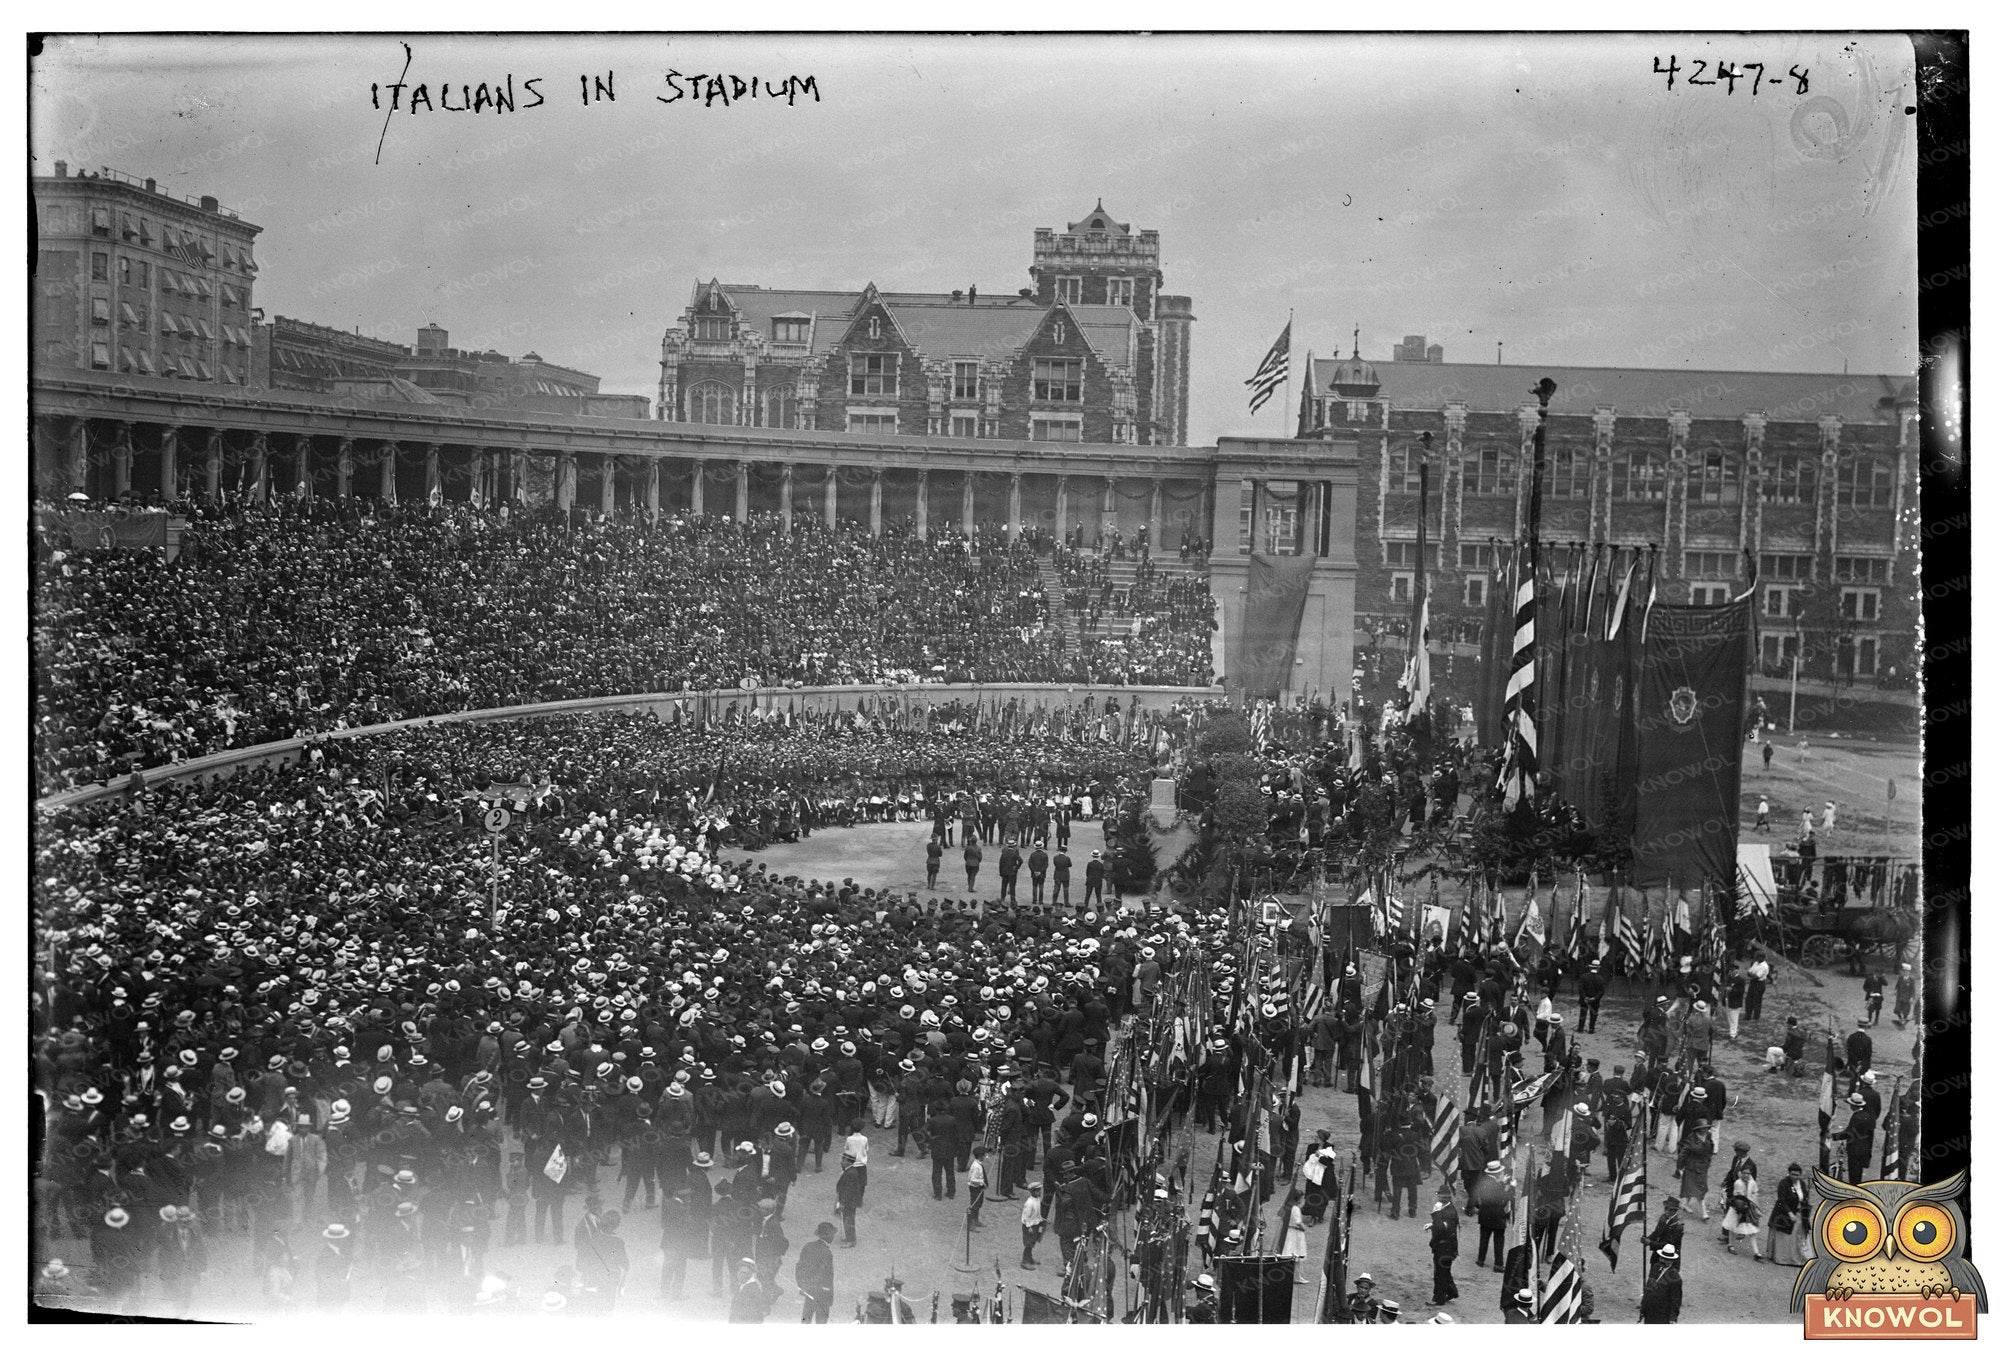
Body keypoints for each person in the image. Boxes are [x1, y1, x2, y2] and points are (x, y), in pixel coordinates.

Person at [1764, 1164, 1813, 1266]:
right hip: (1785, 1214)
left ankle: (1798, 1259)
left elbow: (1804, 1198)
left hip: (1799, 1213)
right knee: (1786, 1237)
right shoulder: (1783, 1184)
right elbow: (1781, 1200)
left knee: (1798, 1236)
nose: (1794, 1177)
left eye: (1797, 1175)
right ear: (1789, 1173)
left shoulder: (1802, 1184)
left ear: (1800, 1175)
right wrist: (1790, 1213)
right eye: (1792, 1174)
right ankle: (1784, 1259)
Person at [1720, 1144, 1761, 1256]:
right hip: (1733, 1189)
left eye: (1737, 1151)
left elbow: (1753, 1181)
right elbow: (1732, 1171)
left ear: (1743, 1152)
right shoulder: (1736, 1159)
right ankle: (1727, 1237)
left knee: (1738, 1216)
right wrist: (1726, 1180)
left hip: (1743, 1195)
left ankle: (1737, 1236)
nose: (1735, 1152)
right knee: (1729, 1213)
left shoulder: (1751, 1164)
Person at [796, 1221, 837, 1323]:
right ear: (829, 1236)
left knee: (806, 1318)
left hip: (809, 1291)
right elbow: (827, 1276)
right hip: (822, 1294)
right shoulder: (827, 1253)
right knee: (821, 1321)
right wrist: (829, 1295)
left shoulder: (808, 1246)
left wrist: (802, 1285)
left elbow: (799, 1267)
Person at [1639, 1245, 1683, 1324]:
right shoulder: (1655, 1267)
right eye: (1661, 1257)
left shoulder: (1675, 1277)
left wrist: (1673, 1318)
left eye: (1666, 1259)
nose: (1662, 1260)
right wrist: (1643, 1309)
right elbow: (1648, 1289)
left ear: (1671, 1261)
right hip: (1649, 1312)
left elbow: (1676, 1300)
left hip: (1662, 1315)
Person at [1428, 1196, 1459, 1306]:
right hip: (1445, 1247)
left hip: (1445, 1247)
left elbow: (1441, 1227)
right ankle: (1452, 1291)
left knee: (1440, 1273)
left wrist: (1436, 1212)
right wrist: (1432, 1225)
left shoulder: (1449, 1212)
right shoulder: (1448, 1209)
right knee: (1444, 1271)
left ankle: (1439, 1299)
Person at [833, 1154, 865, 1247]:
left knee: (848, 1219)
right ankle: (849, 1237)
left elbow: (848, 1190)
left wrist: (842, 1202)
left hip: (849, 1202)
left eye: (843, 1160)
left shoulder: (850, 1173)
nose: (841, 1162)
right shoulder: (850, 1171)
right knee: (847, 1219)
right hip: (850, 1200)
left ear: (848, 1162)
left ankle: (851, 1240)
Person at [1020, 1183, 1046, 1269]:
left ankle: (1030, 1258)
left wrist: (1040, 1219)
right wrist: (1029, 1227)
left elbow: (1037, 1212)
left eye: (1040, 1190)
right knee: (1028, 1243)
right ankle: (1025, 1261)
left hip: (1035, 1224)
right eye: (1037, 1190)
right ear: (1033, 1191)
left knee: (1033, 1242)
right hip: (1029, 1226)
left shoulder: (1037, 1199)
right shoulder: (1029, 1203)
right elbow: (1025, 1217)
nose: (1039, 1192)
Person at [966, 1146, 989, 1229]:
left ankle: (976, 1220)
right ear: (980, 1156)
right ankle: (970, 1224)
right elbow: (972, 1179)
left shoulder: (979, 1165)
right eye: (984, 1155)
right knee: (974, 1204)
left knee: (978, 1204)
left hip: (979, 1188)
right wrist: (982, 1182)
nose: (985, 1157)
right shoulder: (976, 1166)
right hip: (975, 1188)